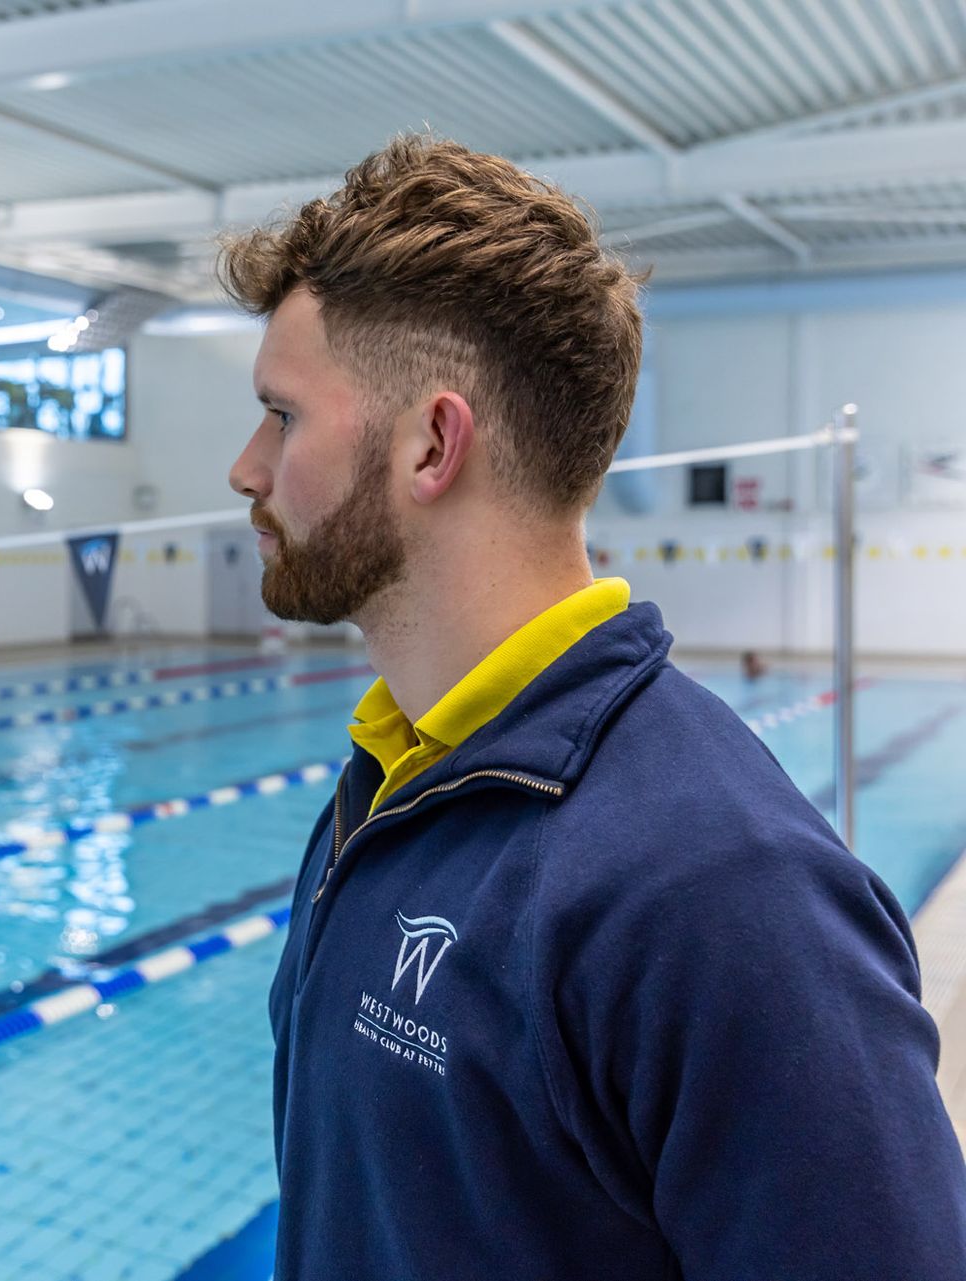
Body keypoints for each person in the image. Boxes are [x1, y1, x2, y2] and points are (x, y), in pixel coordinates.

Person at [224, 135, 966, 1279]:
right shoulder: (396, 779)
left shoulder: (723, 891)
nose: (246, 466)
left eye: (283, 415)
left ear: (432, 442)